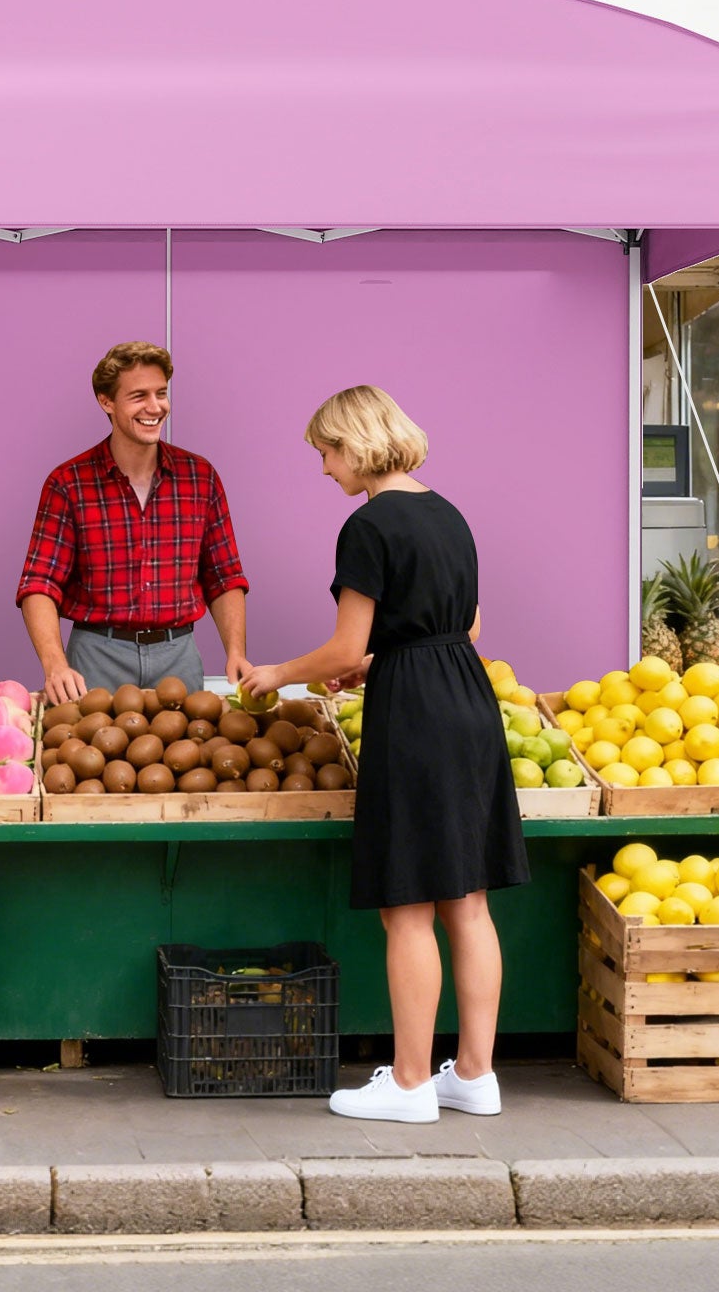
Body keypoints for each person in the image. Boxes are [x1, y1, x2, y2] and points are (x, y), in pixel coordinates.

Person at [240, 385, 528, 1124]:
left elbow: (344, 644)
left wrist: (276, 672)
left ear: (358, 442)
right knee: (468, 901)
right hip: (468, 700)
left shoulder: (368, 526)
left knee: (408, 907)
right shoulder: (447, 514)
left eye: (327, 451)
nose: (325, 468)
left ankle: (407, 1085)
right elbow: (464, 625)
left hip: (417, 714)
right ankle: (474, 1075)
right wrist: (380, 660)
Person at [17, 341, 251, 703]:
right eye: (139, 396)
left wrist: (236, 652)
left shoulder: (200, 477)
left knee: (186, 758)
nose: (154, 407)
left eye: (161, 393)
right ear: (106, 402)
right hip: (96, 655)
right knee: (90, 759)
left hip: (179, 655)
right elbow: (39, 584)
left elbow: (224, 577)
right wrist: (55, 665)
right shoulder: (68, 483)